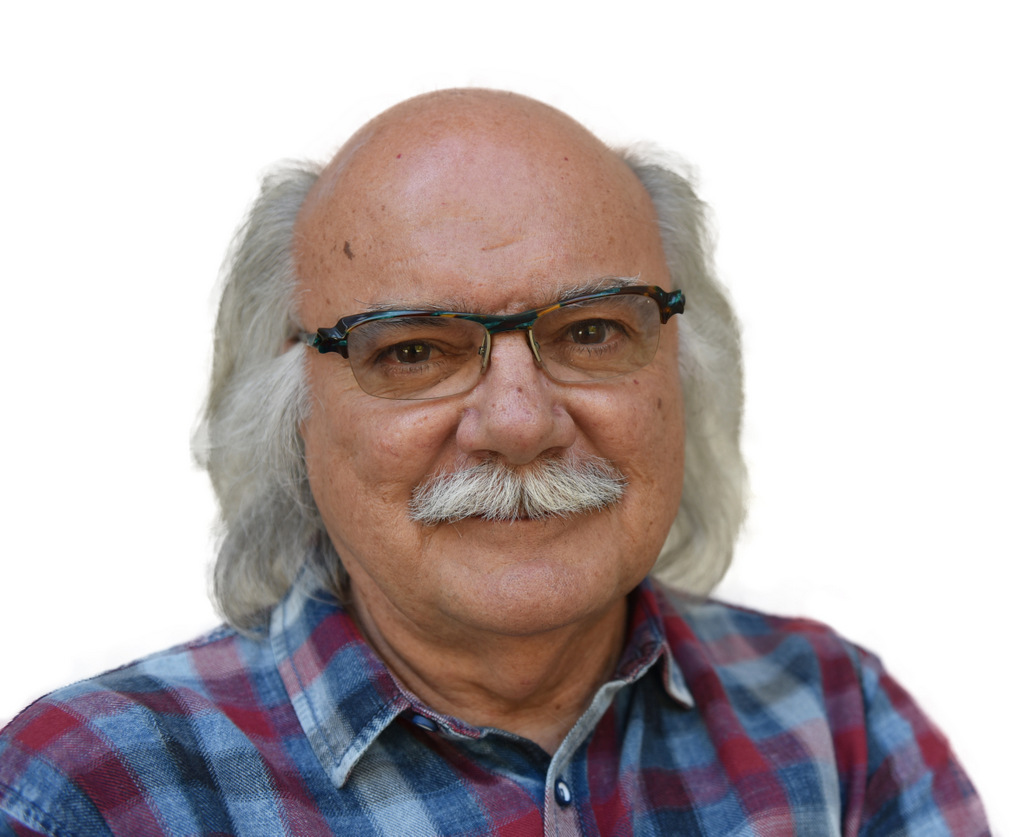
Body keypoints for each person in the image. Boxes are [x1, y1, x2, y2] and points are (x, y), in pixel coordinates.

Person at [0, 89, 987, 836]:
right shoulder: (92, 793)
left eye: (592, 332)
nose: (518, 422)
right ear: (290, 413)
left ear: (687, 377)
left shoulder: (832, 717)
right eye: (413, 351)